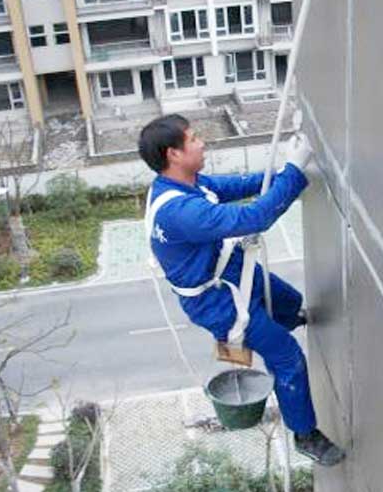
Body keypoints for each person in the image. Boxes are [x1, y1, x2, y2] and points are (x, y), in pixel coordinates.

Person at [138, 114, 346, 466]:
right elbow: (254, 219)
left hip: (227, 271)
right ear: (173, 154)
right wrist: (294, 173)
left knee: (288, 302)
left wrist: (284, 172)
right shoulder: (181, 211)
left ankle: (276, 325)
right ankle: (306, 435)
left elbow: (239, 186)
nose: (202, 143)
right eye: (193, 139)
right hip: (218, 302)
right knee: (287, 358)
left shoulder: (182, 185)